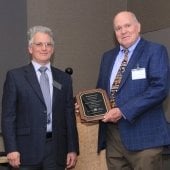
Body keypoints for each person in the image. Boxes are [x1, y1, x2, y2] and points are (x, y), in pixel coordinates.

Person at [96, 11, 170, 170]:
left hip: (145, 139)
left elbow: (159, 88)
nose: (123, 31)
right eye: (118, 28)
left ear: (138, 27)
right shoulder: (107, 57)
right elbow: (101, 91)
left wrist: (123, 110)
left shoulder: (155, 51)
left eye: (127, 25)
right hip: (113, 138)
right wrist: (87, 107)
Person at [1, 26, 79, 170]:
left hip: (56, 151)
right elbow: (8, 116)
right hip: (25, 151)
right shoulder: (15, 77)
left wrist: (72, 148)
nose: (44, 48)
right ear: (30, 48)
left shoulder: (64, 79)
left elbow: (69, 115)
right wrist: (11, 148)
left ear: (53, 49)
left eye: (48, 44)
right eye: (39, 44)